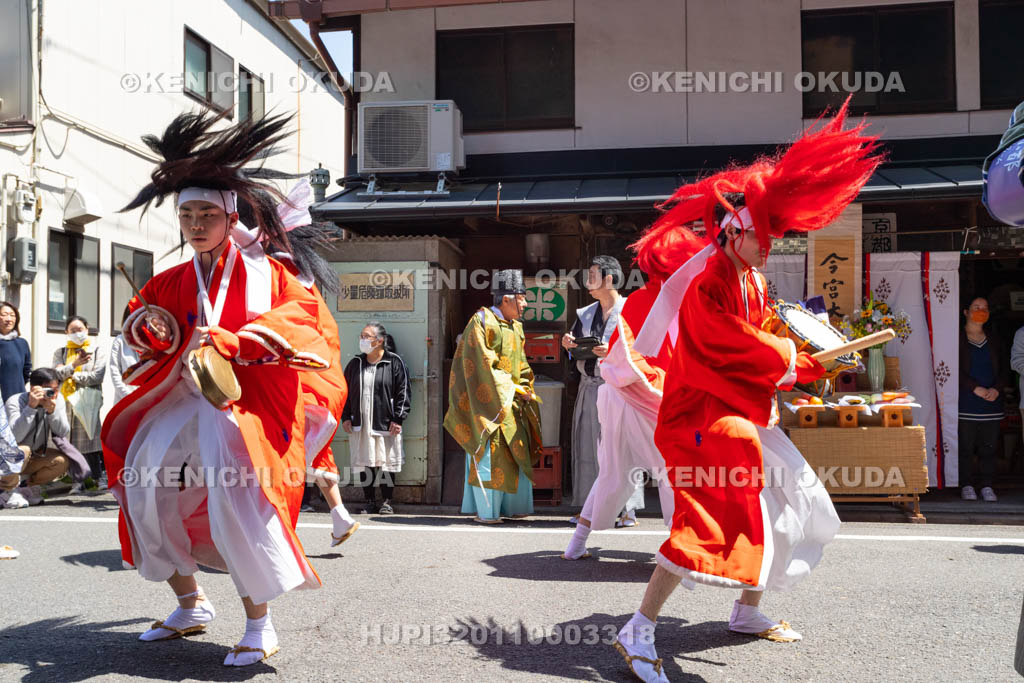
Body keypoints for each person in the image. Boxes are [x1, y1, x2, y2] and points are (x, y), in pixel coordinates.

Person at [610, 101, 880, 682]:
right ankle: (638, 628)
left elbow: (761, 337)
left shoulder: (751, 277)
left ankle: (745, 610)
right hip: (700, 417)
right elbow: (726, 346)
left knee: (798, 501)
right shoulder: (709, 284)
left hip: (738, 408)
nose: (772, 245)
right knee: (706, 517)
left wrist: (802, 354)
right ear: (734, 231)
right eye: (765, 235)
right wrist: (790, 361)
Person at [103, 111, 334, 666]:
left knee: (238, 501)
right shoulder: (173, 279)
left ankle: (260, 622)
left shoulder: (269, 274)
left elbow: (305, 324)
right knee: (144, 490)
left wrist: (238, 339)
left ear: (231, 217)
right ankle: (190, 603)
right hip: (179, 400)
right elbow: (142, 320)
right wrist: (148, 330)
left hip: (241, 406)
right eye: (187, 214)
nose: (197, 222)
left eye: (208, 212)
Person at [561, 234, 696, 560]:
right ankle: (680, 550)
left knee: (611, 470)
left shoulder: (635, 301)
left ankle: (577, 543)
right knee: (673, 472)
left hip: (616, 393)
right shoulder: (679, 301)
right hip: (650, 397)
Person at [257, 179, 359, 546]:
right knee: (313, 456)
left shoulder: (278, 277)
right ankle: (339, 516)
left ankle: (277, 535)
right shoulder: (306, 281)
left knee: (282, 458)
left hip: (297, 384)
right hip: (320, 385)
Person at [445, 269, 542, 524]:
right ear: (507, 299)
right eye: (522, 298)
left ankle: (512, 507)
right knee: (490, 454)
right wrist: (511, 388)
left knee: (514, 453)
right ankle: (488, 511)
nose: (525, 303)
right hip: (486, 405)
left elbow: (521, 364)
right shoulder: (481, 321)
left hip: (511, 402)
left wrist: (524, 386)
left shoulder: (516, 327)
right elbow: (480, 364)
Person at [563, 256, 643, 526]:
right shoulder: (584, 313)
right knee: (588, 446)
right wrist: (569, 345)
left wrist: (614, 353)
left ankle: (627, 511)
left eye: (593, 275)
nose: (588, 281)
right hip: (590, 386)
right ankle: (589, 509)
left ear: (609, 278)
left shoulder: (631, 310)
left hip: (620, 388)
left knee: (623, 448)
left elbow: (643, 350)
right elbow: (574, 353)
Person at [342, 322, 410, 515]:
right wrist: (346, 416)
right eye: (361, 336)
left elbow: (403, 392)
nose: (362, 340)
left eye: (367, 336)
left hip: (386, 422)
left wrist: (398, 418)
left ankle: (387, 501)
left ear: (379, 341)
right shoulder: (356, 363)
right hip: (360, 422)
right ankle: (369, 500)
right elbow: (344, 391)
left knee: (386, 460)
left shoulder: (394, 362)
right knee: (365, 460)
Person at [2, 368, 72, 507]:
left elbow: (63, 432)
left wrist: (52, 412)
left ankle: (26, 489)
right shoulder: (15, 401)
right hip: (8, 456)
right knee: (23, 450)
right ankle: (7, 490)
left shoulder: (56, 400)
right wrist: (31, 407)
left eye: (55, 389)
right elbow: (15, 437)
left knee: (61, 461)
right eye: (49, 390)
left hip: (34, 454)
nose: (52, 394)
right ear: (34, 388)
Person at [958, 296, 1005, 502]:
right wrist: (973, 387)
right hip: (966, 402)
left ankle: (987, 485)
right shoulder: (958, 338)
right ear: (966, 312)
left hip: (991, 402)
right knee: (966, 446)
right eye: (976, 307)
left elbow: (1004, 367)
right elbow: (951, 368)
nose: (981, 311)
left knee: (989, 447)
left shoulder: (994, 339)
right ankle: (966, 484)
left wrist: (997, 388)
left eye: (985, 307)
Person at [53, 315, 107, 489]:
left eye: (80, 329)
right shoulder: (60, 352)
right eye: (73, 331)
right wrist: (75, 363)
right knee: (71, 441)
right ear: (66, 332)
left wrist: (72, 374)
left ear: (87, 329)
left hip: (88, 401)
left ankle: (97, 478)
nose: (77, 333)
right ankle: (77, 479)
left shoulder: (96, 350)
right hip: (66, 402)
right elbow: (56, 375)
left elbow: (97, 376)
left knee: (90, 440)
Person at [0, 302, 31, 402]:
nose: (9, 319)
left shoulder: (22, 343)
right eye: (4, 315)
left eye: (12, 315)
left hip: (15, 399)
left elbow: (26, 372)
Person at [110, 306, 141, 403]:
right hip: (124, 400)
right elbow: (115, 372)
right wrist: (129, 396)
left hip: (146, 400)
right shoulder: (120, 341)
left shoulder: (153, 341)